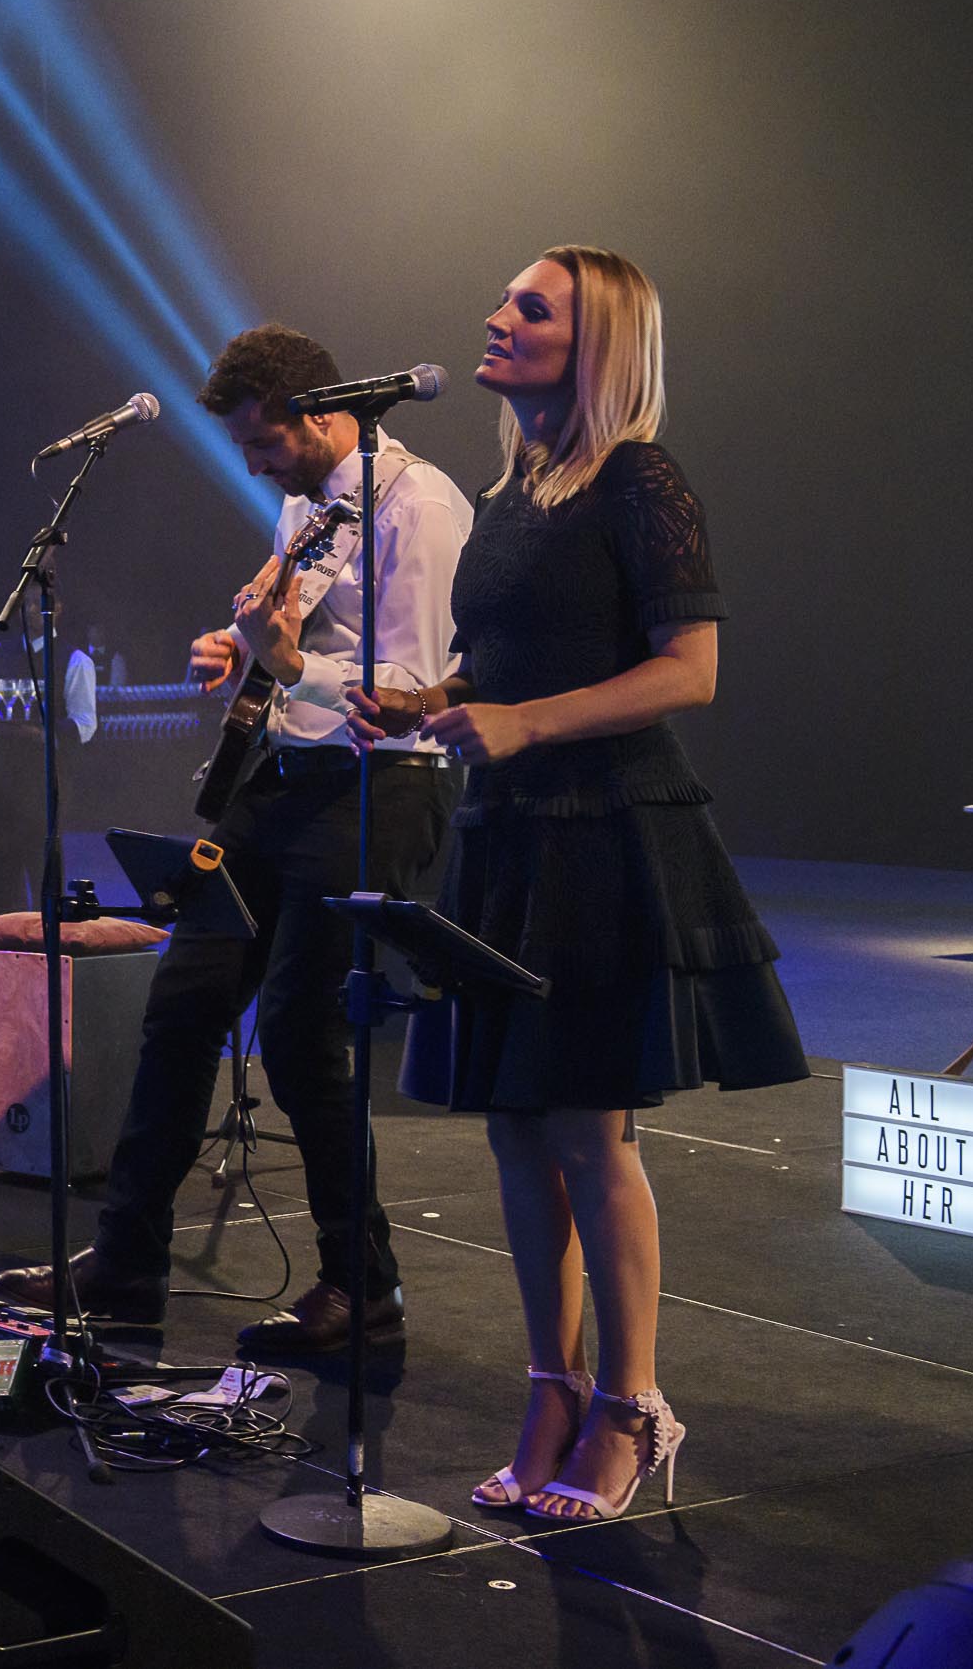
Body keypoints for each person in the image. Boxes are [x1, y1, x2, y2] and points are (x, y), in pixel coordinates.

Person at [354, 247, 804, 1522]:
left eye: (531, 307)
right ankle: (552, 1391)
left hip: (604, 829)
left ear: (594, 344)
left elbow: (689, 670)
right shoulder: (512, 490)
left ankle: (633, 1406)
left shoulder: (641, 479)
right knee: (514, 1127)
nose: (496, 317)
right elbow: (504, 661)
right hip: (507, 830)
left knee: (588, 1131)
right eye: (504, 298)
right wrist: (430, 701)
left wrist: (527, 722)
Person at [0, 325, 474, 1355]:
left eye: (263, 442)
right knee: (181, 1006)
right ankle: (127, 1264)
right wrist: (243, 648)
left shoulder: (418, 505)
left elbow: (416, 686)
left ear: (318, 413)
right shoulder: (310, 503)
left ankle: (364, 1288)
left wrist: (287, 664)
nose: (253, 465)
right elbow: (293, 628)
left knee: (300, 1032)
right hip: (283, 777)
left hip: (381, 783)